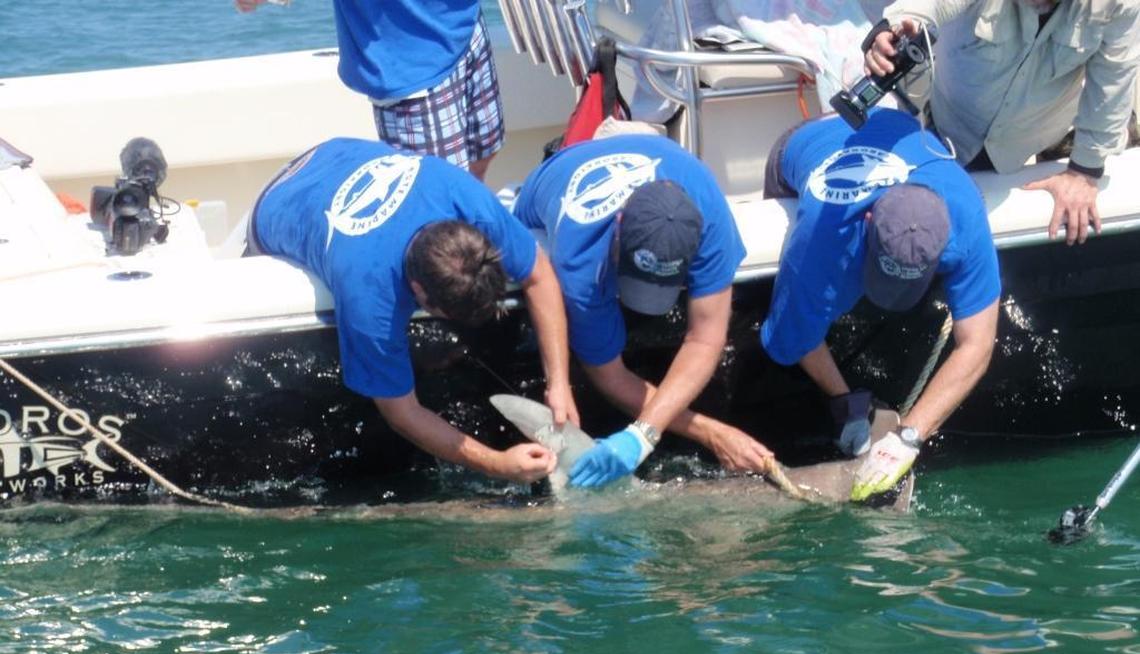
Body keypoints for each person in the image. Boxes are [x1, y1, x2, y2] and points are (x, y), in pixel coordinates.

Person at [248, 137, 578, 483]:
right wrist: (497, 464)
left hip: (335, 152)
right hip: (276, 207)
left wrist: (559, 383)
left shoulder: (466, 198)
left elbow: (539, 274)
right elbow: (401, 414)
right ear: (418, 292)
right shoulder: (368, 296)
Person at [761, 107, 1001, 500]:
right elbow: (794, 337)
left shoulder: (966, 217)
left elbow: (978, 343)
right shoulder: (822, 237)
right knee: (793, 315)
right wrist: (846, 404)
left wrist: (910, 436)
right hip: (805, 141)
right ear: (868, 220)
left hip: (895, 123)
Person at [513, 133, 774, 488]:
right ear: (619, 226)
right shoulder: (580, 263)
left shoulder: (712, 223)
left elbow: (705, 339)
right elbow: (609, 375)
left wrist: (640, 434)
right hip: (551, 182)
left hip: (666, 155)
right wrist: (710, 433)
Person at [864, 0, 1140, 245]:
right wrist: (892, 28)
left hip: (1053, 127)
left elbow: (1113, 81)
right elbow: (928, 5)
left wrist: (1084, 172)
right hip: (956, 130)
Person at [236, 0, 503, 180]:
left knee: (483, 153)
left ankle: (472, 244)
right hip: (412, 64)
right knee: (440, 198)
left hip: (465, 26)